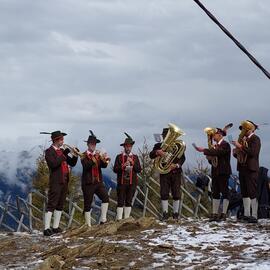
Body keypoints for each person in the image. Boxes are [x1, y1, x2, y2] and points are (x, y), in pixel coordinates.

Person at [43, 130, 78, 236]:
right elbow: (53, 164)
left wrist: (75, 155)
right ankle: (46, 228)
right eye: (61, 139)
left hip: (64, 180)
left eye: (63, 139)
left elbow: (72, 163)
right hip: (56, 181)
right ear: (56, 140)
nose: (63, 141)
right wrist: (64, 154)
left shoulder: (61, 151)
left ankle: (55, 227)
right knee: (52, 204)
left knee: (60, 204)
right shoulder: (49, 151)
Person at [194, 126, 232, 221]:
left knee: (225, 192)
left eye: (214, 135)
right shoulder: (216, 147)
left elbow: (218, 153)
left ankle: (223, 213)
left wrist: (204, 150)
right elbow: (213, 161)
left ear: (219, 135)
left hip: (223, 171)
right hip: (215, 171)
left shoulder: (225, 145)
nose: (212, 137)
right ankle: (215, 213)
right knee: (215, 192)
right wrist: (209, 158)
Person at [149, 127, 186, 220]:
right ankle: (165, 214)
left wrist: (177, 165)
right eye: (166, 136)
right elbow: (151, 155)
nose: (167, 137)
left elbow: (183, 158)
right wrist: (157, 152)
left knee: (176, 193)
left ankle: (176, 214)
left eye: (169, 135)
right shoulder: (158, 145)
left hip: (175, 172)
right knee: (164, 193)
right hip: (164, 172)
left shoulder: (177, 145)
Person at [232, 120, 261, 223]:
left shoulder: (255, 139)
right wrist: (235, 152)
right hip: (242, 168)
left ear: (250, 129)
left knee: (252, 192)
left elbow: (253, 153)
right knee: (244, 192)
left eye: (245, 129)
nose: (243, 132)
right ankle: (247, 214)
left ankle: (254, 215)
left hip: (251, 169)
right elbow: (240, 156)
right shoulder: (243, 140)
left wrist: (240, 146)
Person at [81, 131, 110, 226]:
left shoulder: (97, 154)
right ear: (88, 144)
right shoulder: (83, 155)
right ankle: (88, 225)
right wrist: (95, 159)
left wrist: (104, 159)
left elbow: (104, 166)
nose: (93, 145)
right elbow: (86, 166)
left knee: (105, 197)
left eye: (94, 144)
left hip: (98, 181)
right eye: (91, 144)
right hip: (88, 183)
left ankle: (103, 220)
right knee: (87, 204)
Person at [113, 133, 141, 220]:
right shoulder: (119, 157)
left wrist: (133, 163)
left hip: (132, 183)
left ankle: (126, 220)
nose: (128, 148)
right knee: (120, 201)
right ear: (124, 147)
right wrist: (123, 165)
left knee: (129, 201)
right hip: (121, 183)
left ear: (131, 147)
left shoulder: (135, 157)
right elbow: (115, 169)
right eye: (126, 146)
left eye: (129, 146)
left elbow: (139, 169)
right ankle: (119, 220)